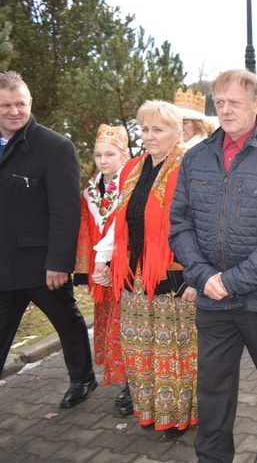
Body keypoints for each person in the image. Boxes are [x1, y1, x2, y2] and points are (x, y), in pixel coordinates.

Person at [169, 69, 257, 463]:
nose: (226, 110)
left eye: (235, 102)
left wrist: (232, 281)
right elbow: (179, 223)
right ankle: (212, 455)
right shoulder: (196, 157)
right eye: (220, 102)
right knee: (213, 383)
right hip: (212, 295)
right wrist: (203, 276)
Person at [92, 100, 195, 441]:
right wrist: (104, 259)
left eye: (158, 129)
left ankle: (180, 418)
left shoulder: (189, 166)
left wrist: (196, 275)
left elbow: (203, 225)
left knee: (173, 355)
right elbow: (118, 220)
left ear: (178, 132)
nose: (149, 137)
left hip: (172, 277)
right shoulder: (134, 167)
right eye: (145, 129)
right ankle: (151, 412)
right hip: (133, 275)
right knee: (140, 352)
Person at [0, 70, 96, 408]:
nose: (14, 111)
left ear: (30, 103)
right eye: (6, 105)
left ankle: (82, 378)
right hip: (3, 267)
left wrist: (58, 263)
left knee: (68, 324)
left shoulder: (55, 147)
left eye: (20, 104)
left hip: (41, 265)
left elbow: (66, 210)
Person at [73, 123, 131, 414]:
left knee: (129, 325)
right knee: (110, 324)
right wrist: (86, 268)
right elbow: (85, 229)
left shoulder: (130, 182)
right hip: (101, 271)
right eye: (98, 155)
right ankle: (125, 381)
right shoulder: (90, 190)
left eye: (110, 154)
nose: (104, 160)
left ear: (123, 154)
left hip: (124, 267)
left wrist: (108, 260)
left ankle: (134, 383)